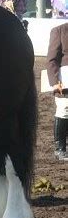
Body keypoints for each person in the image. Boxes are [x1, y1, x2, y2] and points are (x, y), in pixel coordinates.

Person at [46, 21, 68, 161]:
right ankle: (60, 149)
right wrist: (54, 82)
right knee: (64, 110)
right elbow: (52, 59)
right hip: (64, 81)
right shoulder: (59, 31)